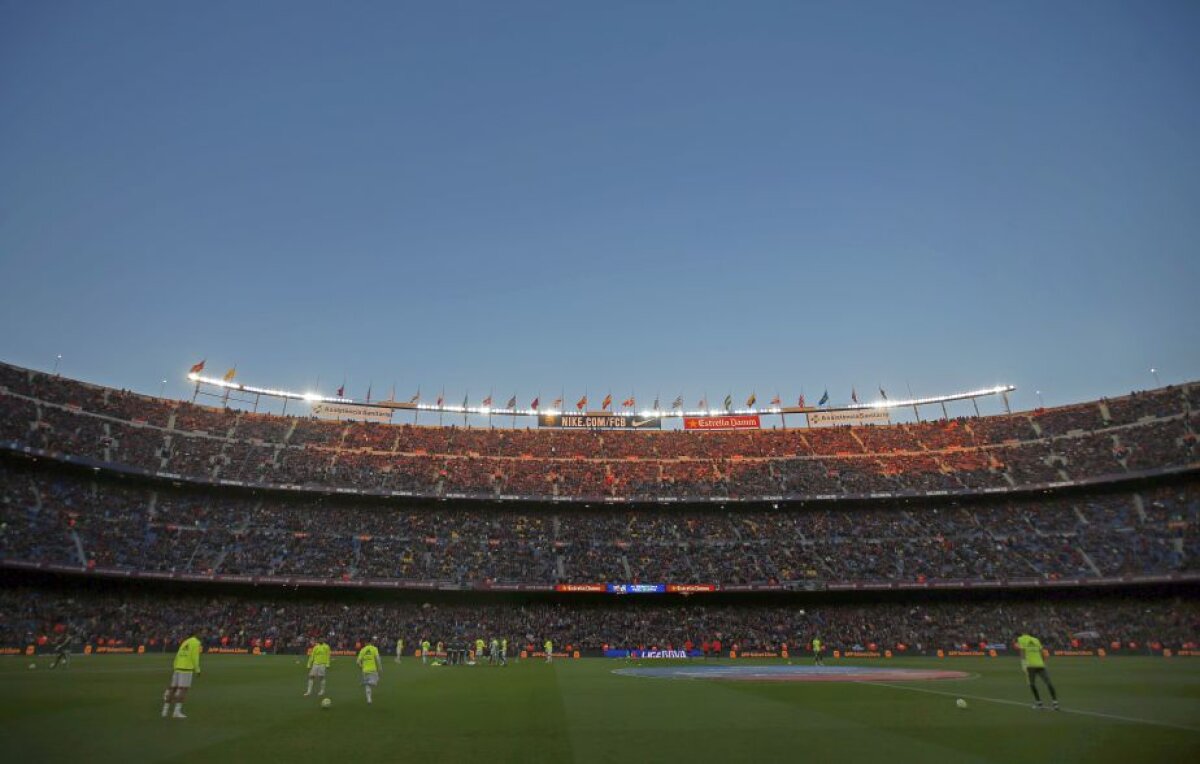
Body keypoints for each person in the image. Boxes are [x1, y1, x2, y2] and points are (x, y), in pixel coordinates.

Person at [162, 630, 202, 719]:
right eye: (200, 633)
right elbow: (195, 657)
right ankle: (176, 712)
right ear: (196, 634)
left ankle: (164, 711)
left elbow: (178, 655)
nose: (201, 635)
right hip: (186, 668)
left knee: (173, 689)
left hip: (178, 667)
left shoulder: (185, 642)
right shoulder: (196, 642)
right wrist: (197, 670)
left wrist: (175, 666)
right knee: (183, 690)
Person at [1016, 633, 1059, 710]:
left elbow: (1022, 652)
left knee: (1032, 684)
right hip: (1040, 665)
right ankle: (1055, 703)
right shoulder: (1036, 640)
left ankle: (1039, 703)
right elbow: (1042, 653)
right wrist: (1043, 662)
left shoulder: (1021, 639)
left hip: (1030, 665)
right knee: (1048, 683)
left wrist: (1023, 664)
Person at [357, 638, 381, 704]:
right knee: (376, 682)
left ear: (365, 643)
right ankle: (368, 682)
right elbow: (378, 659)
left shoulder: (362, 650)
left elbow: (358, 662)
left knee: (367, 686)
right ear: (371, 642)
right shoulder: (374, 648)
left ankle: (369, 699)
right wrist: (380, 667)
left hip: (365, 670)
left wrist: (361, 667)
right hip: (373, 669)